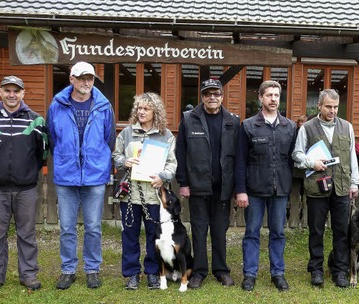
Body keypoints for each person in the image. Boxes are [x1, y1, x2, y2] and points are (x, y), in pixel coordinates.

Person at [0, 76, 48, 295]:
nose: (12, 95)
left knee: (27, 234)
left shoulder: (36, 121)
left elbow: (42, 153)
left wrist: (26, 172)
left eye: (16, 91)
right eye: (7, 90)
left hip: (26, 188)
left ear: (23, 93)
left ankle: (29, 275)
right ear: (0, 92)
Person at [47, 61, 116, 289]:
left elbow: (109, 139)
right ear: (72, 79)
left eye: (90, 78)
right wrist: (67, 158)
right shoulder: (57, 105)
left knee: (94, 227)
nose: (86, 82)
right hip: (67, 175)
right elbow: (53, 138)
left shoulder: (104, 106)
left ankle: (92, 269)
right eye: (82, 78)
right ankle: (68, 270)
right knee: (66, 227)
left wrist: (96, 161)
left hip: (94, 176)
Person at [292, 89, 359, 288]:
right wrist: (311, 162)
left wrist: (354, 182)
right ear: (319, 106)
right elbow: (296, 154)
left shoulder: (347, 127)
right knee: (316, 231)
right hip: (317, 187)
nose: (332, 110)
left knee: (341, 231)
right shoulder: (307, 128)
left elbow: (352, 156)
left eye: (336, 107)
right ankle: (316, 270)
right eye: (328, 106)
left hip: (341, 187)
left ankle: (340, 271)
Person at [176, 78, 240, 289]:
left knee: (220, 230)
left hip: (222, 187)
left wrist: (238, 187)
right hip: (197, 185)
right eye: (207, 94)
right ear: (202, 96)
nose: (212, 97)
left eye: (216, 93)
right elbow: (181, 153)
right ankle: (200, 271)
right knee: (199, 229)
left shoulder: (232, 120)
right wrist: (183, 183)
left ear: (222, 96)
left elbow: (238, 157)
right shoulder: (188, 119)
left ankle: (221, 270)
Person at [235, 80, 296, 292]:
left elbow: (291, 160)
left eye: (276, 95)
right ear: (260, 98)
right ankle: (250, 274)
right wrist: (241, 190)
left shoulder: (290, 127)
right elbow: (240, 161)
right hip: (254, 190)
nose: (273, 99)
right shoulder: (248, 126)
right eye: (268, 95)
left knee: (278, 232)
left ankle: (277, 273)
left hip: (279, 190)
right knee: (252, 232)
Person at [112, 93, 177, 290]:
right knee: (129, 236)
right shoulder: (126, 133)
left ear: (155, 111)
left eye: (146, 109)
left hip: (154, 196)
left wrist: (163, 177)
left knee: (153, 236)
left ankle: (152, 273)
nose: (141, 112)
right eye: (139, 108)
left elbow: (172, 163)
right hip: (130, 196)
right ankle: (132, 274)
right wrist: (124, 161)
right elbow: (116, 155)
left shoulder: (166, 135)